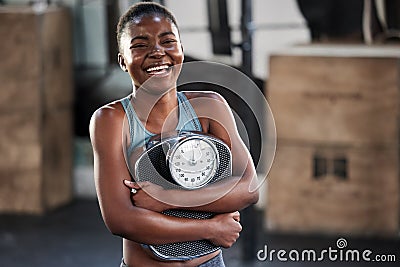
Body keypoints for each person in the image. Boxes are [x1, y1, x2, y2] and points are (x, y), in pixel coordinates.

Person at [89, 2, 258, 266]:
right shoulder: (111, 120)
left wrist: (164, 198)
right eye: (140, 45)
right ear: (123, 61)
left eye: (168, 41)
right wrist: (211, 228)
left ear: (180, 49)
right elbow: (121, 219)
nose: (157, 52)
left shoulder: (209, 106)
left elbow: (248, 189)